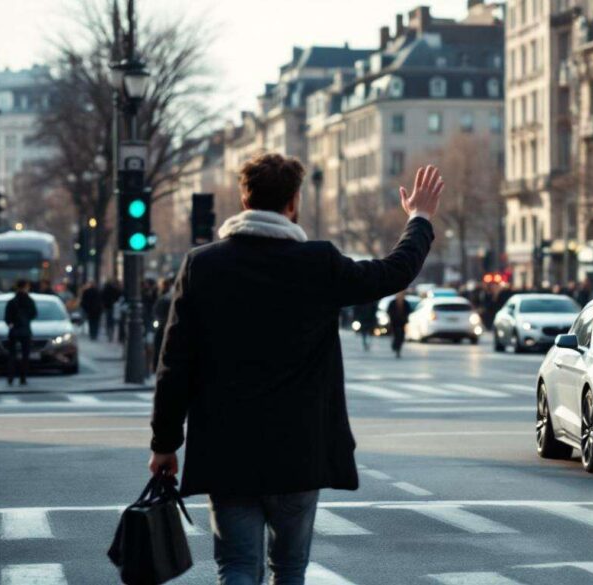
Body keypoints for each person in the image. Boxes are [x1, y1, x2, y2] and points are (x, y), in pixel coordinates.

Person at [149, 154, 441, 584]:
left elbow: (174, 363)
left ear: (244, 199)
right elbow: (393, 272)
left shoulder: (203, 265)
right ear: (293, 203)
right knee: (288, 568)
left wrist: (165, 443)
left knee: (236, 565)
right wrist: (419, 218)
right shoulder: (318, 262)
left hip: (227, 445)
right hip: (299, 446)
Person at [5, 280, 38, 386]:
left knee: (12, 355)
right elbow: (34, 314)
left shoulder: (12, 301)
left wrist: (11, 323)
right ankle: (22, 378)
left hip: (14, 330)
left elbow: (7, 317)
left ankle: (11, 377)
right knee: (25, 355)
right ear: (25, 287)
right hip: (25, 330)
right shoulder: (29, 301)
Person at [151, 276, 174, 371]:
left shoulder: (166, 298)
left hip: (164, 324)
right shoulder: (164, 297)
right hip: (163, 324)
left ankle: (157, 366)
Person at [387, 291, 411, 358]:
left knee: (401, 337)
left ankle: (398, 349)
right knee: (396, 335)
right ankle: (395, 346)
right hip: (394, 322)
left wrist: (405, 318)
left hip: (402, 323)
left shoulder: (406, 303)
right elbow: (389, 311)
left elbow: (408, 311)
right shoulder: (392, 303)